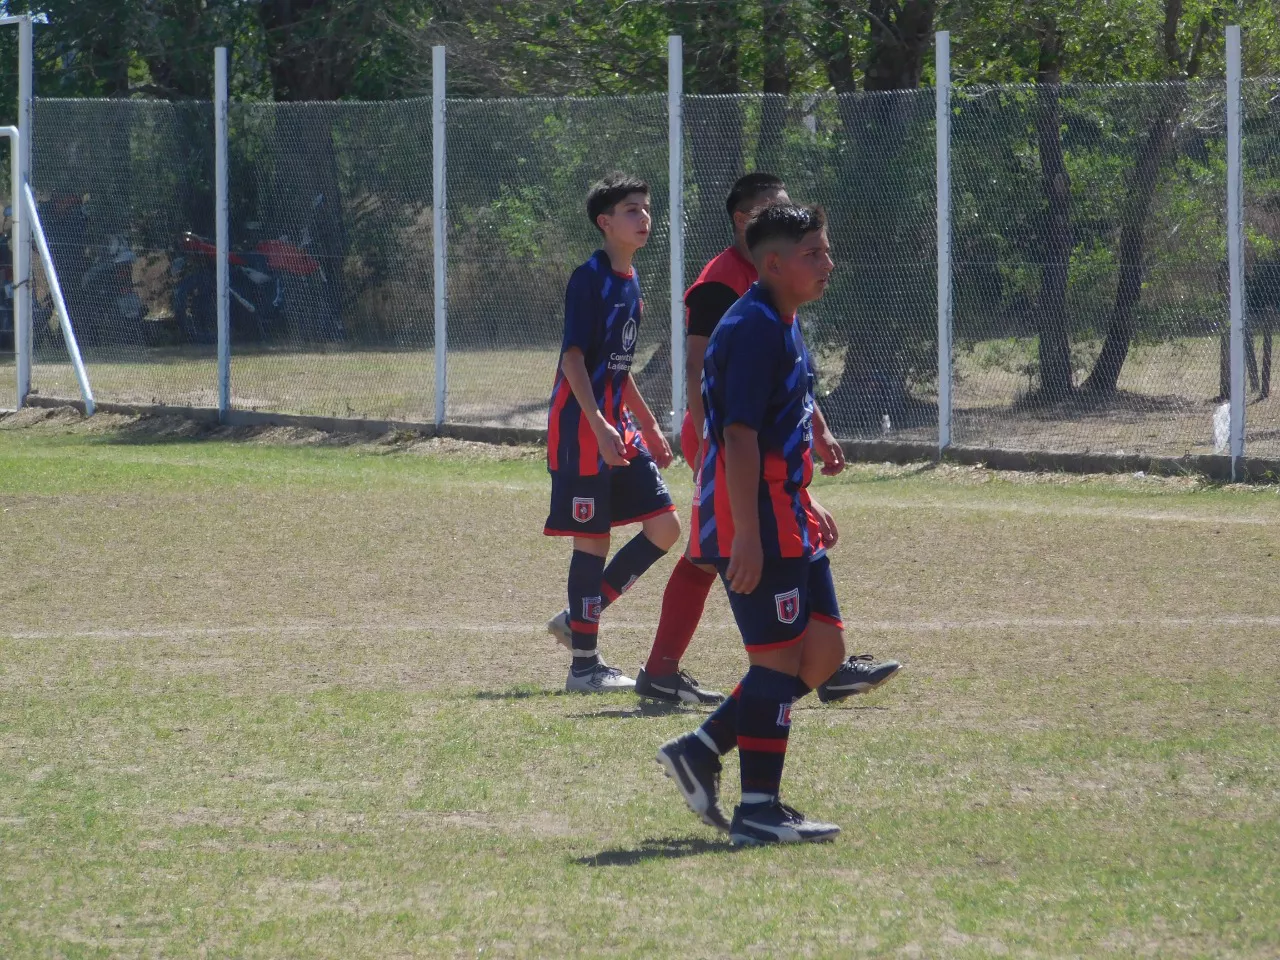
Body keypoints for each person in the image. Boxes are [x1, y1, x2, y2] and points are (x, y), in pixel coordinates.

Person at [629, 172, 901, 706]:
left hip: (758, 443)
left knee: (720, 551)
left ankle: (821, 661)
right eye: (772, 211)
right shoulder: (723, 281)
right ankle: (698, 678)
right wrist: (714, 445)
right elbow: (698, 368)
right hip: (724, 442)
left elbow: (789, 374)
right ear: (745, 222)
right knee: (721, 550)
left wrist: (815, 431)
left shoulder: (782, 285)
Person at [658, 203, 858, 845]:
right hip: (756, 521)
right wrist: (746, 533)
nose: (827, 263)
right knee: (774, 665)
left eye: (826, 250)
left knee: (822, 654)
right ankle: (759, 810)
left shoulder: (784, 319)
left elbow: (781, 426)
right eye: (814, 254)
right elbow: (738, 439)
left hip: (785, 510)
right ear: (773, 263)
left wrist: (804, 494)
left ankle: (703, 746)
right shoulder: (751, 329)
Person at [543, 172, 681, 693]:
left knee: (664, 528)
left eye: (646, 208)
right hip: (582, 427)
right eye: (631, 210)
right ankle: (584, 667)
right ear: (605, 223)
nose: (643, 217)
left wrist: (645, 422)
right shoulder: (589, 278)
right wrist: (599, 425)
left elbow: (616, 369)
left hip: (615, 425)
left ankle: (578, 616)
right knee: (593, 540)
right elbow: (574, 359)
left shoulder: (632, 279)